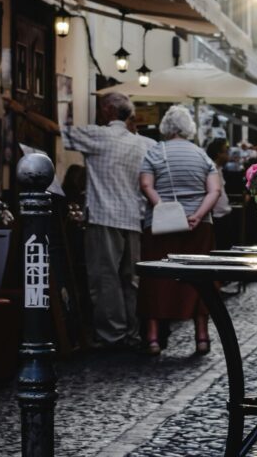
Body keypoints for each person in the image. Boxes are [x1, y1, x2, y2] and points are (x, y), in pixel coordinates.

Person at [61, 92, 154, 350]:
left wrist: (22, 112)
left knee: (105, 277)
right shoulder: (142, 143)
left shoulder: (99, 135)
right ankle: (131, 331)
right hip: (134, 218)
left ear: (108, 111)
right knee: (130, 279)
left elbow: (59, 131)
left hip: (104, 216)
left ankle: (112, 333)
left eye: (102, 108)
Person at [138, 105, 221, 357]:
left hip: (161, 226)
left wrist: (163, 208)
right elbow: (214, 191)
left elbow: (145, 184)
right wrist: (196, 215)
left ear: (165, 127)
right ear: (188, 128)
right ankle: (202, 337)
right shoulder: (202, 155)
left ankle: (153, 339)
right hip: (199, 228)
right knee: (200, 279)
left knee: (156, 280)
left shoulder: (154, 152)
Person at [206, 138, 233, 251]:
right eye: (226, 152)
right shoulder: (210, 168)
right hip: (216, 218)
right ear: (219, 153)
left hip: (223, 216)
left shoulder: (219, 169)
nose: (228, 156)